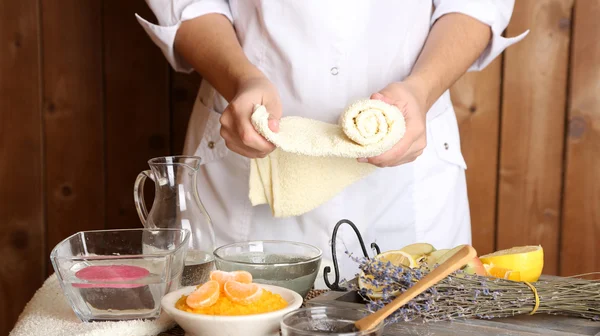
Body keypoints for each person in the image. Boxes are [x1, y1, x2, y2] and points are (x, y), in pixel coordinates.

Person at [137, 1, 527, 281]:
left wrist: (421, 90)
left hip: (405, 174)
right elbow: (188, 5)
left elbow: (476, 5)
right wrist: (241, 79)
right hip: (248, 160)